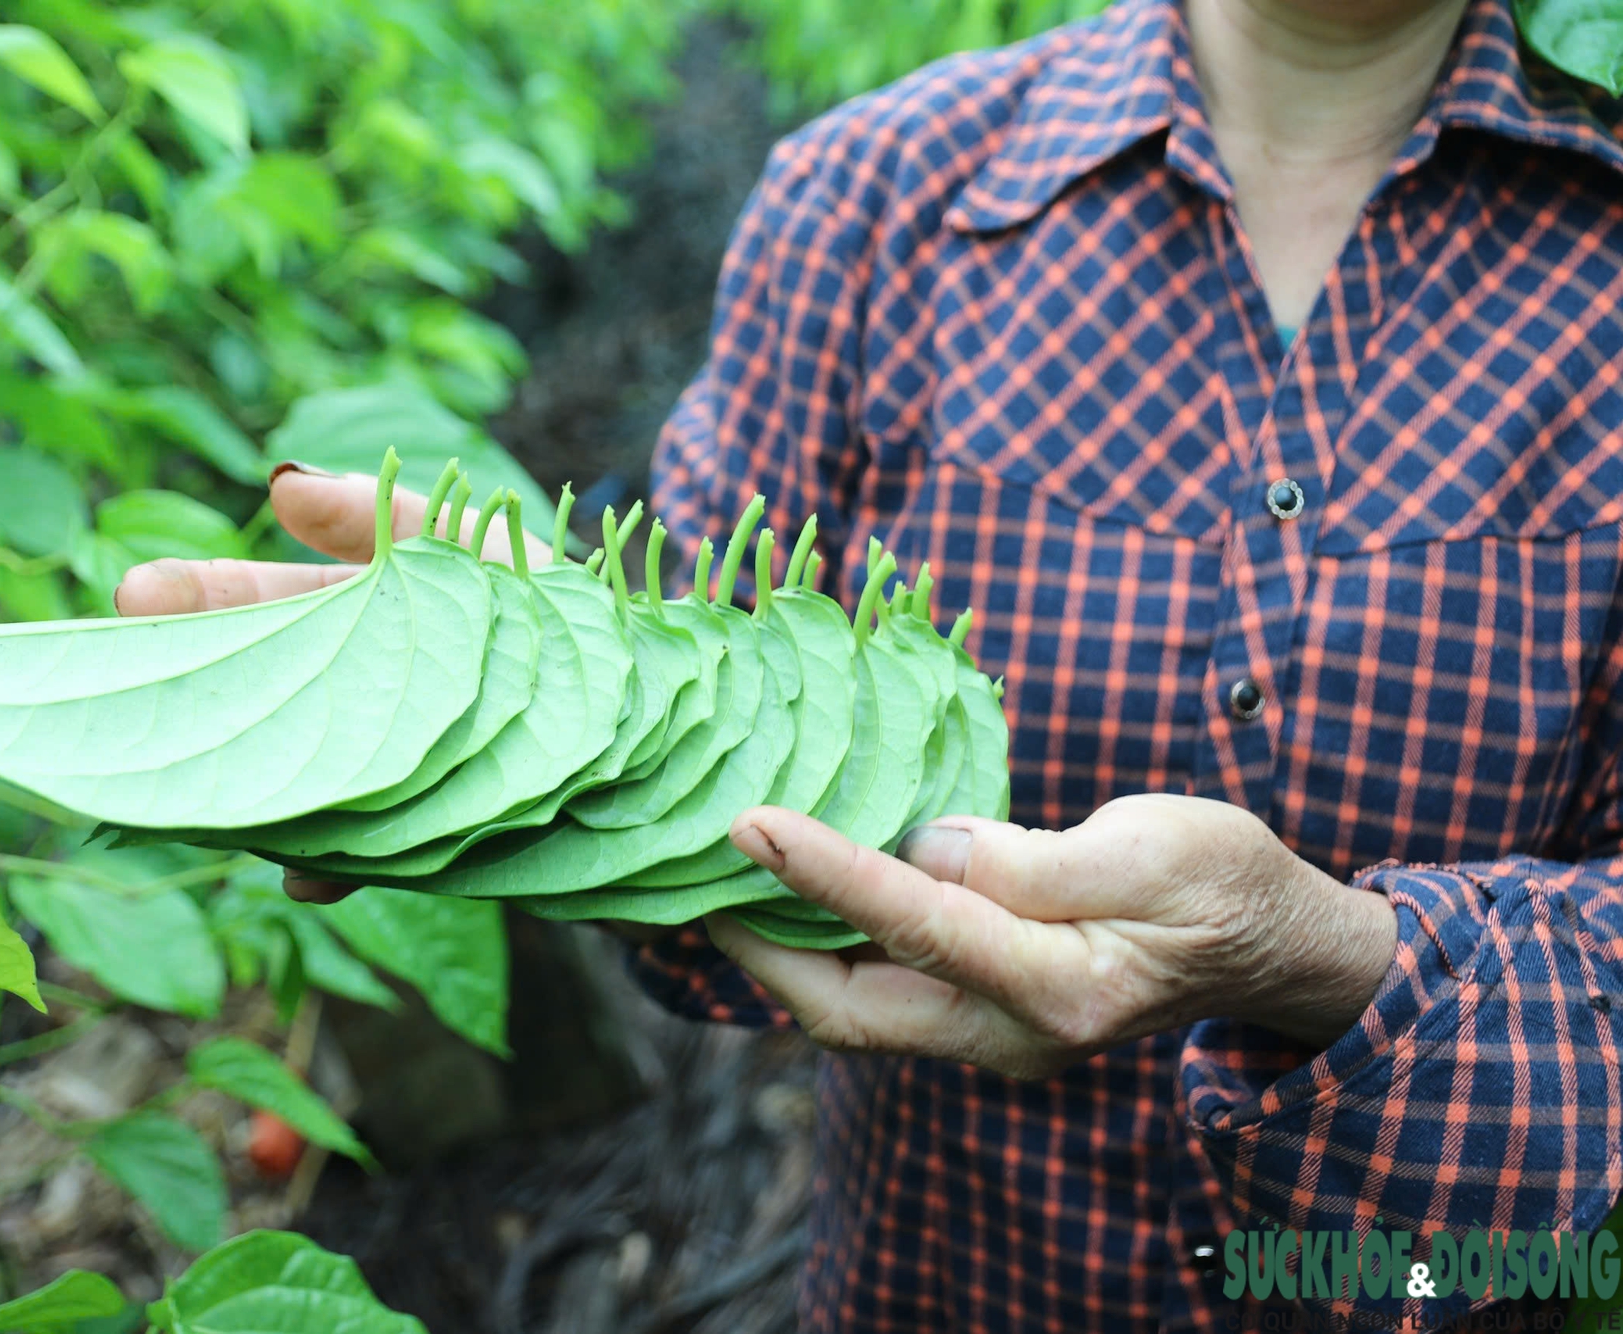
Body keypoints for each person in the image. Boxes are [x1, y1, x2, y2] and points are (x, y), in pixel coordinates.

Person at [115, 0, 1623, 1326]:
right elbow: (706, 690)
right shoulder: (877, 202)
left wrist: (1329, 954)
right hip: (946, 1278)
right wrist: (566, 707)